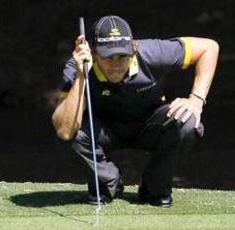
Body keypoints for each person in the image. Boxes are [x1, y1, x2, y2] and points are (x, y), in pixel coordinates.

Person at [52, 15, 219, 207]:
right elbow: (64, 131)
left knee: (188, 122)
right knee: (70, 130)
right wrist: (82, 76)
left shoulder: (152, 52)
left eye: (122, 55)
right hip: (105, 130)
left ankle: (154, 188)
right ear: (94, 52)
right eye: (108, 56)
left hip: (149, 125)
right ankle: (107, 183)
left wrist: (196, 99)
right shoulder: (77, 67)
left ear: (133, 48)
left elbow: (209, 47)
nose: (116, 64)